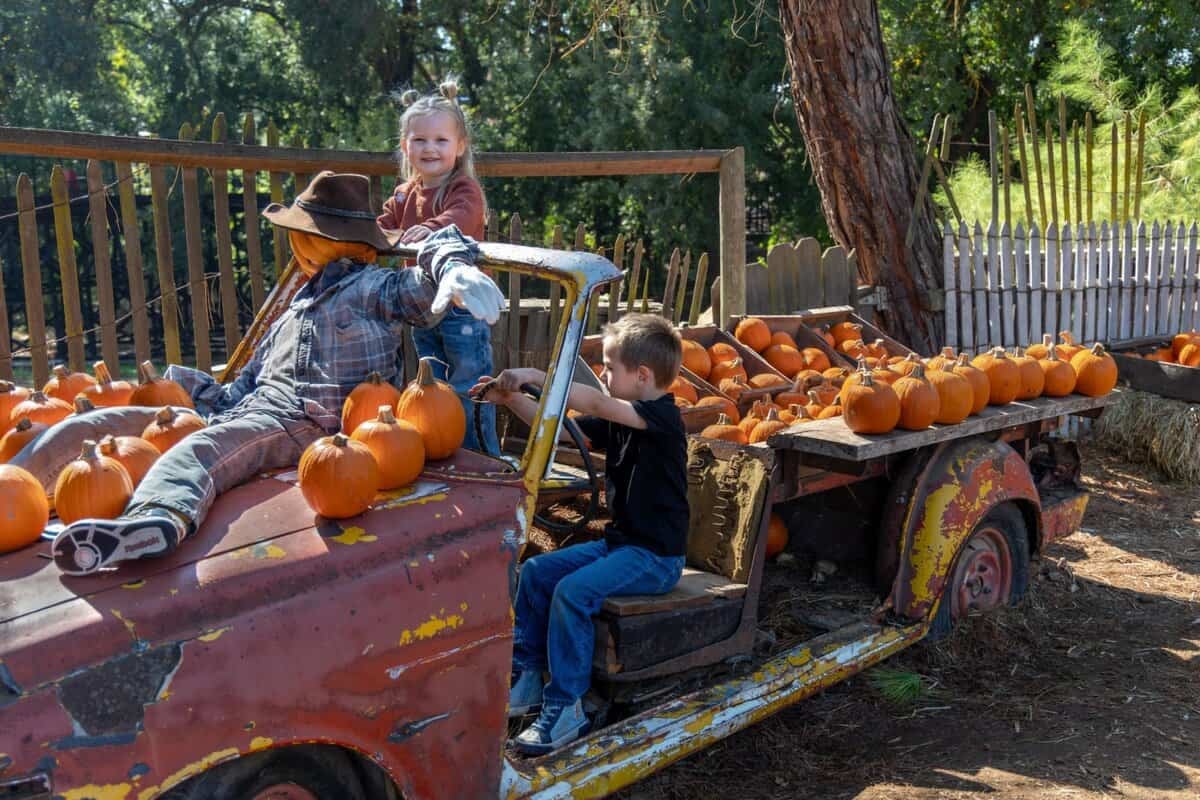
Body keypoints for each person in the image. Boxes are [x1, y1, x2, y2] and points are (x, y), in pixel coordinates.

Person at [12, 172, 503, 576]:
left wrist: (452, 268)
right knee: (89, 428)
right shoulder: (300, 299)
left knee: (203, 451)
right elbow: (254, 373)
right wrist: (207, 396)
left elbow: (428, 272)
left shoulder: (374, 288)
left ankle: (157, 518)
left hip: (302, 423)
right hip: (247, 408)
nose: (296, 248)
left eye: (303, 237)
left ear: (330, 242)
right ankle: (14, 485)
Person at [470, 313, 690, 755]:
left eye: (610, 368)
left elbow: (593, 404)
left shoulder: (663, 418)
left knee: (572, 591)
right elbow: (563, 428)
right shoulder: (625, 419)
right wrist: (510, 399)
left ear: (642, 376)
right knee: (535, 572)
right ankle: (529, 677)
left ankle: (566, 704)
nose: (605, 376)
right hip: (622, 545)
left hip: (656, 558)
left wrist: (533, 375)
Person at [377, 78, 497, 454]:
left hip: (463, 308)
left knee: (469, 384)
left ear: (459, 146)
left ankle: (481, 456)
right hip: (423, 309)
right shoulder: (404, 194)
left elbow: (459, 219)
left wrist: (425, 230)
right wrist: (367, 238)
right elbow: (384, 227)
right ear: (405, 146)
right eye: (420, 140)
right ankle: (443, 450)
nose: (430, 148)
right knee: (431, 385)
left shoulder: (463, 190)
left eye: (441, 140)